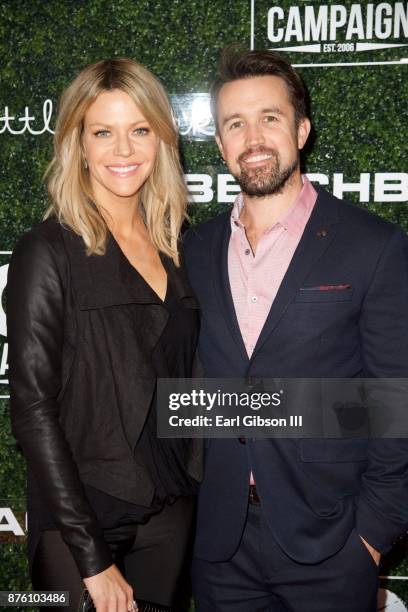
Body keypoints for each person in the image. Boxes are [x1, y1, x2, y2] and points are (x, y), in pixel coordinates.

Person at [184, 47, 408, 612]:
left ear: (302, 130)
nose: (252, 137)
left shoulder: (373, 247)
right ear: (219, 143)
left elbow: (396, 401)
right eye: (235, 123)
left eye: (270, 118)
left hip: (333, 543)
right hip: (219, 545)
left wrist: (371, 537)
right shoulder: (191, 250)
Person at [7, 57, 202, 612]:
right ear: (79, 144)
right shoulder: (47, 251)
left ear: (162, 140)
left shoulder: (181, 247)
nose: (123, 150)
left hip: (172, 510)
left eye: (139, 130)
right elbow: (32, 409)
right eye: (103, 132)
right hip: (81, 519)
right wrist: (91, 558)